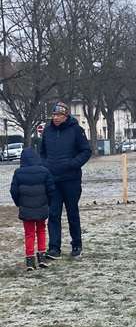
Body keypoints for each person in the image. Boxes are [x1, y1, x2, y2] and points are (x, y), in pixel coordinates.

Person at [40, 101, 91, 259]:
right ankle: (54, 248)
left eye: (59, 115)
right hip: (52, 180)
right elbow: (42, 152)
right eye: (54, 115)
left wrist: (73, 164)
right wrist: (45, 166)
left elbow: (86, 151)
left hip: (71, 180)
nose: (55, 117)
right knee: (53, 214)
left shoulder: (76, 130)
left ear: (66, 116)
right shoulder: (47, 131)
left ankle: (76, 245)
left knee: (72, 213)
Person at [10, 148, 55, 271]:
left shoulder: (18, 172)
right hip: (41, 206)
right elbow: (51, 189)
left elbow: (13, 191)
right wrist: (47, 203)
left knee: (29, 233)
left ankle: (30, 260)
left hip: (26, 208)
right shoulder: (44, 171)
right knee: (41, 230)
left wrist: (19, 203)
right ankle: (41, 257)